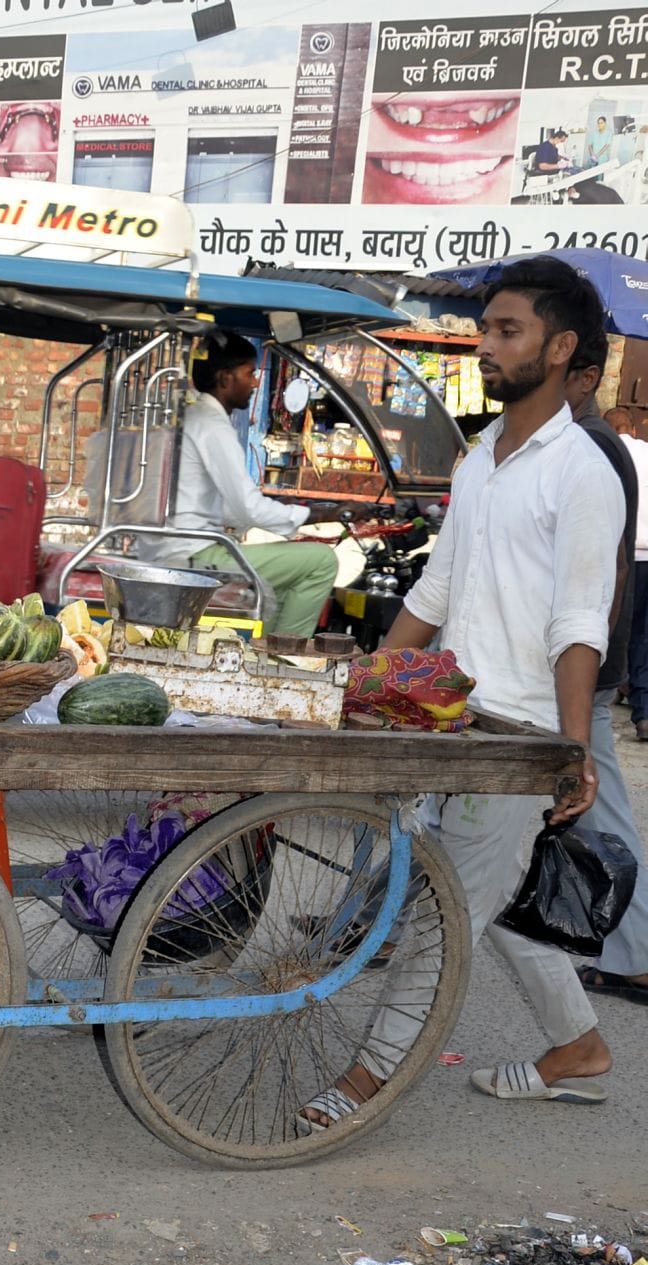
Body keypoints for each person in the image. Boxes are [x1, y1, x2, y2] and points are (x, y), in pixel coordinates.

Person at [301, 255, 624, 1128]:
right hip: (454, 716)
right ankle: (580, 1047)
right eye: (485, 329)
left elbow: (579, 622)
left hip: (518, 738)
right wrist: (362, 683)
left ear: (560, 349)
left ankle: (366, 1082)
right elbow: (435, 595)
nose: (485, 345)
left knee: (441, 912)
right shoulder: (484, 457)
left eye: (506, 331)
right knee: (498, 896)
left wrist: (569, 751)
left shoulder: (582, 471)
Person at [128, 331, 339, 638]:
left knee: (287, 572)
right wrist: (317, 515)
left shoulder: (194, 417)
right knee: (320, 562)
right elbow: (248, 507)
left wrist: (292, 515)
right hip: (193, 554)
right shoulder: (212, 426)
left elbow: (229, 508)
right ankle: (283, 661)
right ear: (225, 378)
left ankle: (266, 655)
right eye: (249, 374)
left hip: (178, 548)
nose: (254, 383)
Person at [566, 350, 648, 1003]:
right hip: (559, 660)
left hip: (576, 665)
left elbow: (611, 573)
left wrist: (592, 667)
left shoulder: (597, 447)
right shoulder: (570, 442)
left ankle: (638, 953)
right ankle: (374, 924)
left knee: (604, 811)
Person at [605, 405, 648, 742]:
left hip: (623, 558)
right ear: (632, 428)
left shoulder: (607, 454)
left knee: (617, 628)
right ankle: (644, 712)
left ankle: (608, 692)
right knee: (644, 637)